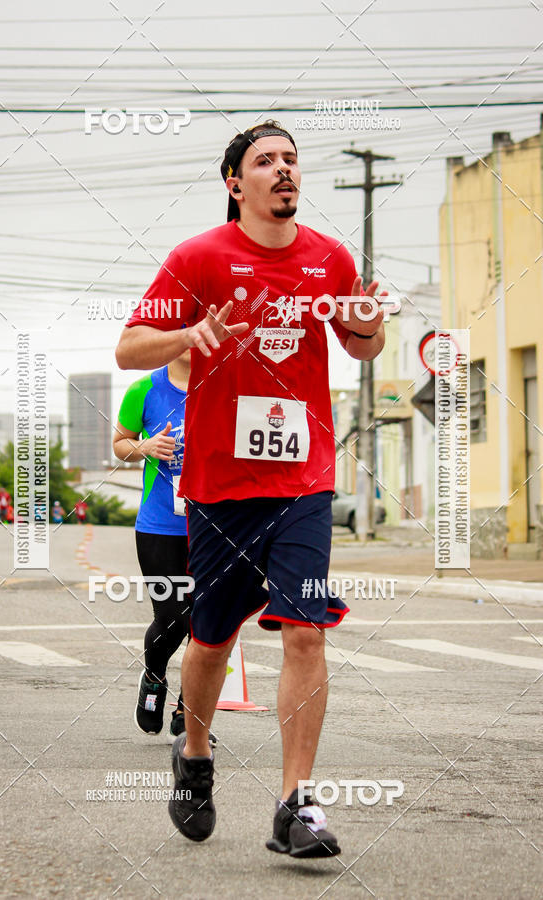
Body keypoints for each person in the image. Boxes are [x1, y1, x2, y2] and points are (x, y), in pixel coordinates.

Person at [115, 121, 385, 856]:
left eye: (291, 159)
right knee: (210, 639)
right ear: (236, 183)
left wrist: (367, 326)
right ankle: (195, 756)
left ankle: (296, 806)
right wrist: (188, 335)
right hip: (221, 486)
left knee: (306, 629)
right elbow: (129, 346)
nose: (283, 169)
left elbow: (361, 344)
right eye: (266, 161)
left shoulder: (329, 258)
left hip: (303, 479)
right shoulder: (198, 258)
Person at [113, 350, 198, 740]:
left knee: (208, 623)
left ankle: (189, 713)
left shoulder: (225, 386)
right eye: (184, 328)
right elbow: (120, 443)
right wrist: (144, 447)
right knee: (174, 618)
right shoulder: (144, 390)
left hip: (214, 526)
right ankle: (154, 678)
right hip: (160, 526)